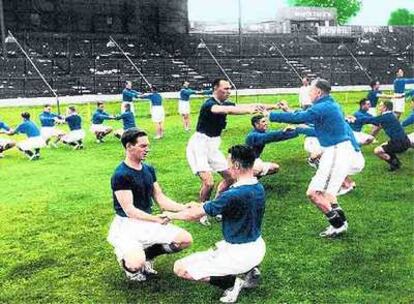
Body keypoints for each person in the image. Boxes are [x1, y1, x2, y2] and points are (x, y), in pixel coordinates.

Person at [165, 145, 266, 304]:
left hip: (239, 254)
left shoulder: (233, 194)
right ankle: (251, 270)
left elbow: (193, 215)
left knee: (180, 268)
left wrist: (170, 215)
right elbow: (218, 205)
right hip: (257, 247)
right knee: (218, 250)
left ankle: (232, 284)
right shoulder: (257, 187)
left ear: (237, 166)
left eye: (228, 162)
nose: (227, 166)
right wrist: (198, 205)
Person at [267, 78, 363, 237]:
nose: (308, 93)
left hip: (336, 151)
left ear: (318, 92)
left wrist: (270, 115)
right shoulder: (328, 104)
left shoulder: (324, 106)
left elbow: (301, 118)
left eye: (310, 90)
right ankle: (340, 224)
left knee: (314, 193)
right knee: (326, 195)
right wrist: (288, 111)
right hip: (336, 151)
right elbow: (305, 116)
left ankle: (339, 226)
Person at [107, 128, 193, 282]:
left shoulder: (148, 169)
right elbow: (129, 210)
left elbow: (160, 198)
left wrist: (184, 207)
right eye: (143, 146)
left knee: (185, 239)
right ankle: (130, 265)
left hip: (147, 220)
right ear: (129, 147)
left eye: (148, 145)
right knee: (135, 264)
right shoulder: (120, 175)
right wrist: (156, 219)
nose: (147, 149)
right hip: (127, 225)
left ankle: (147, 256)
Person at [186, 78, 272, 204]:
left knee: (231, 177)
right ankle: (202, 211)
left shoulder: (223, 103)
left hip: (213, 145)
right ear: (215, 88)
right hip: (199, 145)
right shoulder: (209, 105)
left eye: (230, 88)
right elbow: (228, 110)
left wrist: (274, 106)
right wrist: (248, 111)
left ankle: (216, 205)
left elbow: (243, 106)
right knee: (209, 183)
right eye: (226, 88)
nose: (229, 91)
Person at [350, 100, 411, 171]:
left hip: (399, 143)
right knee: (385, 145)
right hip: (405, 141)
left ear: (385, 108)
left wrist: (354, 119)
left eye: (381, 105)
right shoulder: (390, 115)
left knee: (377, 151)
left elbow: (369, 120)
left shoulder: (385, 117)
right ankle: (395, 162)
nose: (379, 107)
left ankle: (395, 164)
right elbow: (373, 120)